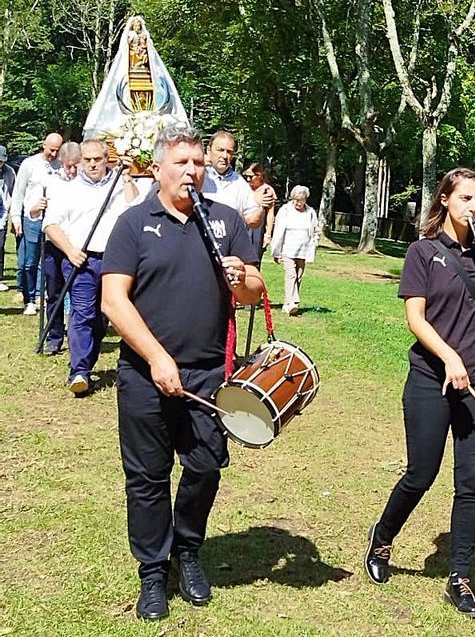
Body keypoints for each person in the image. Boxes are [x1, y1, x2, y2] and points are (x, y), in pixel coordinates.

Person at [101, 124, 263, 621]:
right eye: (182, 163)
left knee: (206, 466)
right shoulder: (133, 223)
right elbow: (113, 299)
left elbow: (256, 290)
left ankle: (187, 550)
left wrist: (243, 281)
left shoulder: (226, 220)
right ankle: (153, 572)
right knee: (147, 477)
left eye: (197, 162)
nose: (193, 171)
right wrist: (155, 357)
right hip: (144, 373)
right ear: (158, 169)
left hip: (210, 373)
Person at [363, 168, 475, 620]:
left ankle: (460, 577)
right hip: (431, 376)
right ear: (445, 200)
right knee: (421, 473)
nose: (473, 206)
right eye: (465, 197)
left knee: (470, 481)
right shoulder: (423, 252)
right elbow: (416, 319)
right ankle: (383, 537)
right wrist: (449, 357)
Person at [43, 139, 145, 394]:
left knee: (103, 316)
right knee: (83, 312)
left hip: (115, 261)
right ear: (80, 161)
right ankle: (79, 371)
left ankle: (88, 359)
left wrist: (127, 178)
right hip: (81, 259)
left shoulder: (118, 185)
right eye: (87, 160)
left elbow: (136, 209)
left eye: (97, 159)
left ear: (106, 159)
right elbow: (51, 224)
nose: (92, 164)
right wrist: (69, 250)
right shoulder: (68, 190)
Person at [10, 133, 63, 313]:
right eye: (51, 150)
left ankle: (42, 295)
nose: (54, 154)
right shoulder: (29, 164)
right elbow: (18, 192)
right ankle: (29, 298)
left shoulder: (61, 165)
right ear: (44, 145)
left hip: (53, 220)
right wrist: (16, 217)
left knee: (48, 260)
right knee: (29, 262)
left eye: (58, 150)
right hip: (32, 218)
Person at [38, 142, 82, 352]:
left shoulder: (86, 184)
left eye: (76, 166)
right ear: (61, 163)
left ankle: (78, 337)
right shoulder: (50, 182)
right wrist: (37, 208)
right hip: (54, 244)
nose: (73, 171)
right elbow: (34, 211)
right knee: (54, 291)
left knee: (78, 292)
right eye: (68, 166)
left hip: (77, 245)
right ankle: (54, 338)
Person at [201, 131, 274, 235]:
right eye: (220, 150)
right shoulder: (198, 177)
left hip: (230, 244)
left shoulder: (239, 183)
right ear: (209, 150)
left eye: (229, 151)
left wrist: (261, 207)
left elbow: (252, 222)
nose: (224, 156)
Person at [270, 185, 319, 315]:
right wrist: (276, 252)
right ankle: (290, 303)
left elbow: (315, 231)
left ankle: (292, 302)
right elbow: (278, 231)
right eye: (296, 199)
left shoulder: (310, 212)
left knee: (298, 276)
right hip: (287, 249)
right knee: (290, 275)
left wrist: (314, 244)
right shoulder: (285, 210)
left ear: (305, 199)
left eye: (301, 199)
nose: (298, 202)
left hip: (303, 250)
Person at [243, 162, 277, 260]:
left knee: (254, 258)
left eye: (251, 176)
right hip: (242, 224)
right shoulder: (243, 188)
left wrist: (268, 234)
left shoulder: (267, 190)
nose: (248, 179)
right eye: (246, 176)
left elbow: (270, 214)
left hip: (257, 229)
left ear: (260, 176)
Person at [0, 144, 16, 292]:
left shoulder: (9, 172)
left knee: (0, 246)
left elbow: (12, 191)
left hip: (2, 214)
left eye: (2, 161)